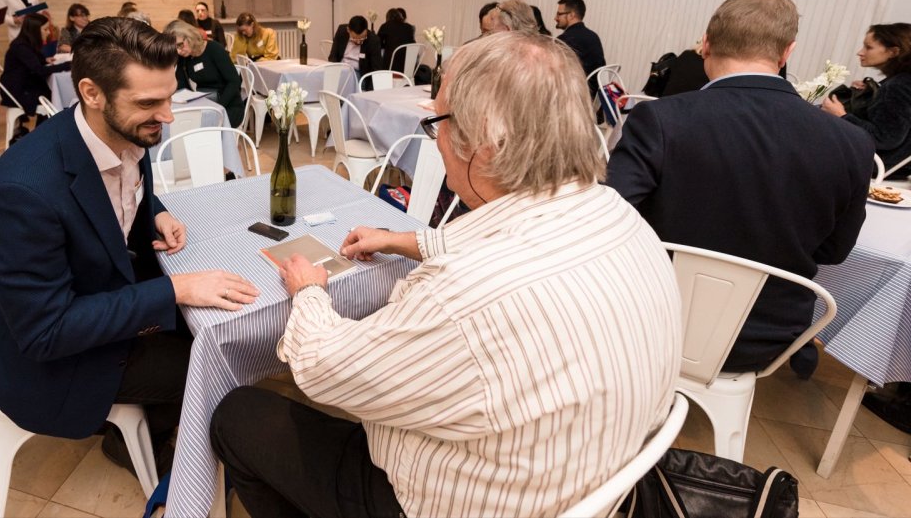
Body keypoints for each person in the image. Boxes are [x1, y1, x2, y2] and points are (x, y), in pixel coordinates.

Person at [211, 30, 683, 518]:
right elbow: (506, 240)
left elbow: (325, 370)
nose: (434, 138)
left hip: (448, 503)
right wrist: (401, 240)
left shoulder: (462, 297)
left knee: (238, 416)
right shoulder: (620, 215)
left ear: (487, 143)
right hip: (594, 480)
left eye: (437, 120)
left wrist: (310, 293)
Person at [0, 17, 259, 473]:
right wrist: (174, 290)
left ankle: (157, 424)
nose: (167, 116)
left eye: (168, 96)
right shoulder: (20, 194)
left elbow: (121, 186)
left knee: (218, 333)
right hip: (52, 363)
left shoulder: (121, 129)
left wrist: (155, 210)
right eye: (150, 102)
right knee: (216, 360)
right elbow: (46, 332)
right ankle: (136, 442)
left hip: (94, 302)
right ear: (92, 93)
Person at [607, 0, 873, 374]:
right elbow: (833, 252)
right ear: (787, 53)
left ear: (706, 44)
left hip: (651, 321)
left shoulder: (661, 120)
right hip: (767, 339)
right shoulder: (852, 142)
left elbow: (611, 218)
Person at [822, 23, 911, 170]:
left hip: (877, 166)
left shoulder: (898, 86)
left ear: (893, 52)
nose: (860, 52)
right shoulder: (901, 81)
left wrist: (842, 116)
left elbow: (885, 138)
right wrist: (873, 92)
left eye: (868, 47)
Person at [165, 20, 243, 127]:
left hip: (228, 105)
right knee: (180, 122)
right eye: (175, 48)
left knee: (199, 126)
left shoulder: (214, 49)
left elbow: (234, 82)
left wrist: (218, 107)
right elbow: (181, 83)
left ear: (189, 36)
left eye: (180, 45)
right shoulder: (184, 57)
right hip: (205, 103)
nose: (178, 51)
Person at [0, 12, 70, 123]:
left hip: (22, 85)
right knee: (54, 95)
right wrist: (67, 65)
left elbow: (32, 61)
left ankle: (45, 129)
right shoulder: (21, 46)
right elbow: (39, 71)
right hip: (18, 91)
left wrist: (44, 60)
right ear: (34, 30)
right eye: (45, 29)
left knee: (52, 91)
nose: (48, 33)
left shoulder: (25, 42)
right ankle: (48, 130)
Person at [555, 0, 606, 80]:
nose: (555, 18)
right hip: (594, 89)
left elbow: (556, 73)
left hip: (578, 90)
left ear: (571, 15)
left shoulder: (564, 40)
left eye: (559, 14)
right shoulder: (593, 36)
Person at [328, 15, 382, 83]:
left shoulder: (373, 40)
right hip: (340, 68)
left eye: (362, 38)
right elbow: (333, 55)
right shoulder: (342, 31)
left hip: (359, 72)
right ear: (348, 30)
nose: (358, 41)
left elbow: (376, 69)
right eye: (354, 38)